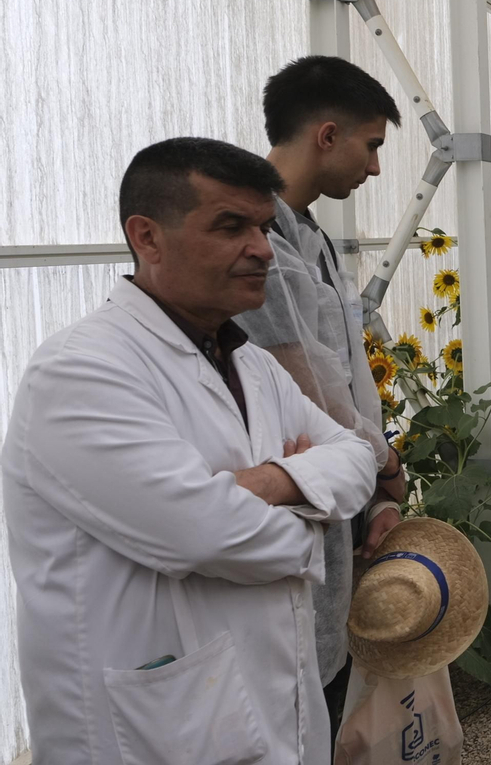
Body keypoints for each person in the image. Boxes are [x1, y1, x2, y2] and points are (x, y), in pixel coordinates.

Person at [2, 138, 377, 763]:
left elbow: (357, 457)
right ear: (147, 238)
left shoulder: (252, 364)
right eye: (231, 227)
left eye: (263, 227)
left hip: (261, 700)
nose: (262, 249)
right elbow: (207, 536)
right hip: (149, 731)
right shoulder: (80, 372)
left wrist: (268, 483)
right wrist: (313, 509)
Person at [235, 55, 408, 742]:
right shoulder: (263, 243)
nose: (374, 169)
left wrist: (378, 486)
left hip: (342, 482)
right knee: (290, 703)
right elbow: (307, 381)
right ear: (327, 135)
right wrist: (382, 461)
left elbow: (347, 373)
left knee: (322, 694)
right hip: (300, 492)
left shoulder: (310, 235)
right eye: (372, 146)